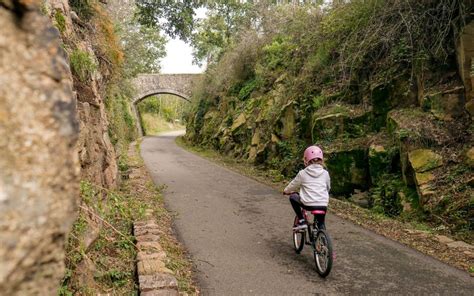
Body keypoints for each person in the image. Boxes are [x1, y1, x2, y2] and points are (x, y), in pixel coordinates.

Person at [283, 145, 330, 231]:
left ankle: (301, 220)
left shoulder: (302, 173)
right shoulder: (325, 173)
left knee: (293, 197)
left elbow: (293, 185)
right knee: (321, 223)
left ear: (306, 159)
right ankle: (322, 235)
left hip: (308, 204)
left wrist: (286, 191)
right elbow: (328, 187)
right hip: (323, 204)